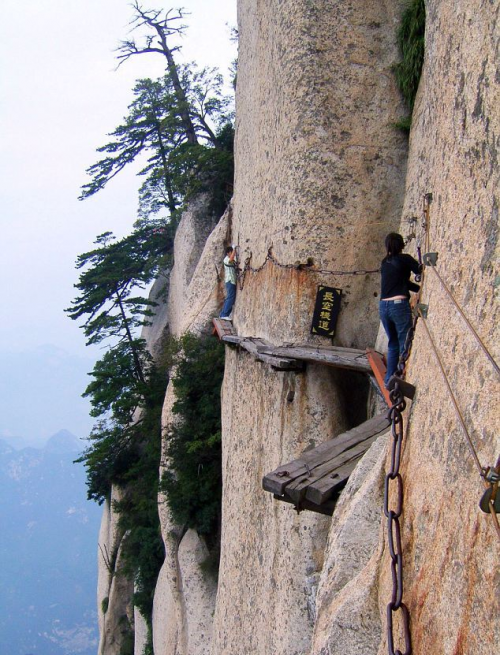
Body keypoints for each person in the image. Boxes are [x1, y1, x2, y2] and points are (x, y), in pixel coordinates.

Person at [379, 232, 422, 386]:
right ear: (401, 244)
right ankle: (403, 377)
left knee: (393, 343)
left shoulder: (385, 263)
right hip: (398, 305)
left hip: (383, 306)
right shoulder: (405, 259)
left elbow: (401, 282)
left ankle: (389, 380)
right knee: (405, 341)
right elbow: (420, 271)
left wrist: (417, 288)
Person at [219, 246, 237, 320]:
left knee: (230, 297)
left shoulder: (228, 259)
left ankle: (224, 314)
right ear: (228, 253)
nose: (233, 254)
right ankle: (224, 314)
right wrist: (234, 249)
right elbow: (231, 260)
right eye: (231, 252)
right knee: (230, 297)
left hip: (231, 280)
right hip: (230, 281)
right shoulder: (226, 259)